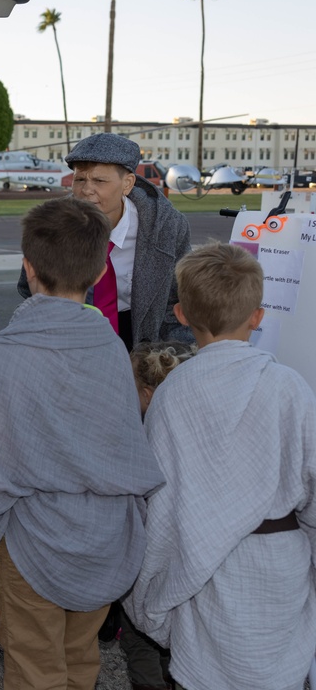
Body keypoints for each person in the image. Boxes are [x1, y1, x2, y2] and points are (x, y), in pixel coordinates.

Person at [0, 195, 165, 690]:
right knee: (81, 662)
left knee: (34, 671)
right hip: (104, 541)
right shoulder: (111, 350)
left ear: (28, 267)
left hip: (32, 548)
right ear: (101, 271)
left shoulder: (4, 356)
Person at [124, 242, 316, 690]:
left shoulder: (173, 394)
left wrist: (153, 587)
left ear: (183, 315)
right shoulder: (290, 388)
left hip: (203, 572)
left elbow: (160, 501)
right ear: (257, 316)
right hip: (279, 569)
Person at [18, 132, 193, 350]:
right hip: (71, 335)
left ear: (127, 184)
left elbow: (179, 300)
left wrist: (166, 357)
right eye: (79, 179)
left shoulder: (168, 227)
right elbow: (29, 287)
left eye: (99, 180)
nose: (86, 190)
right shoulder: (53, 223)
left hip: (142, 339)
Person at [120, 340, 197, 690]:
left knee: (139, 641)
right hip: (185, 560)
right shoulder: (192, 433)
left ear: (148, 394)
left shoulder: (140, 436)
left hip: (146, 564)